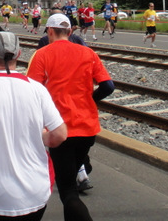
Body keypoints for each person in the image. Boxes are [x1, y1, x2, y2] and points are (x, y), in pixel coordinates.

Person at [0, 32, 67, 220]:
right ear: (18, 54)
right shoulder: (37, 89)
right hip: (35, 189)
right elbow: (59, 134)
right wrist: (42, 136)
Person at [27, 13, 114, 221]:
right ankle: (84, 165)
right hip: (87, 127)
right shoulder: (88, 53)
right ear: (70, 31)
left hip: (60, 129)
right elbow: (108, 86)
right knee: (74, 172)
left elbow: (32, 91)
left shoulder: (42, 54)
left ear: (49, 31)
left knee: (68, 192)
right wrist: (91, 100)